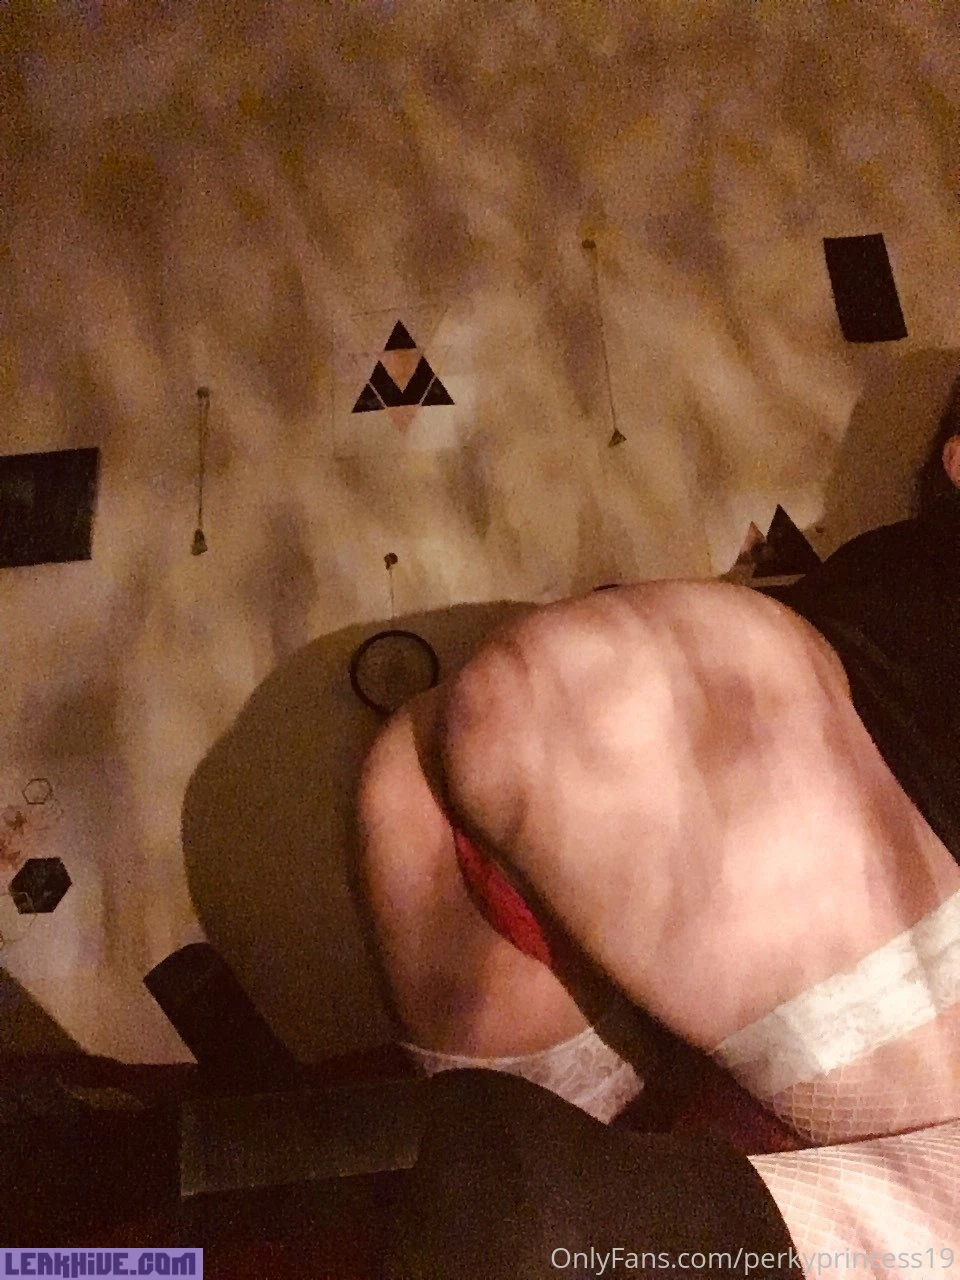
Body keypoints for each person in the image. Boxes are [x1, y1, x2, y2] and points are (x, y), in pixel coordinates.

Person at [356, 375, 960, 1270]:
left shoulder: (877, 574)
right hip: (719, 790)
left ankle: (599, 1227)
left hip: (490, 765)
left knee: (540, 1191)